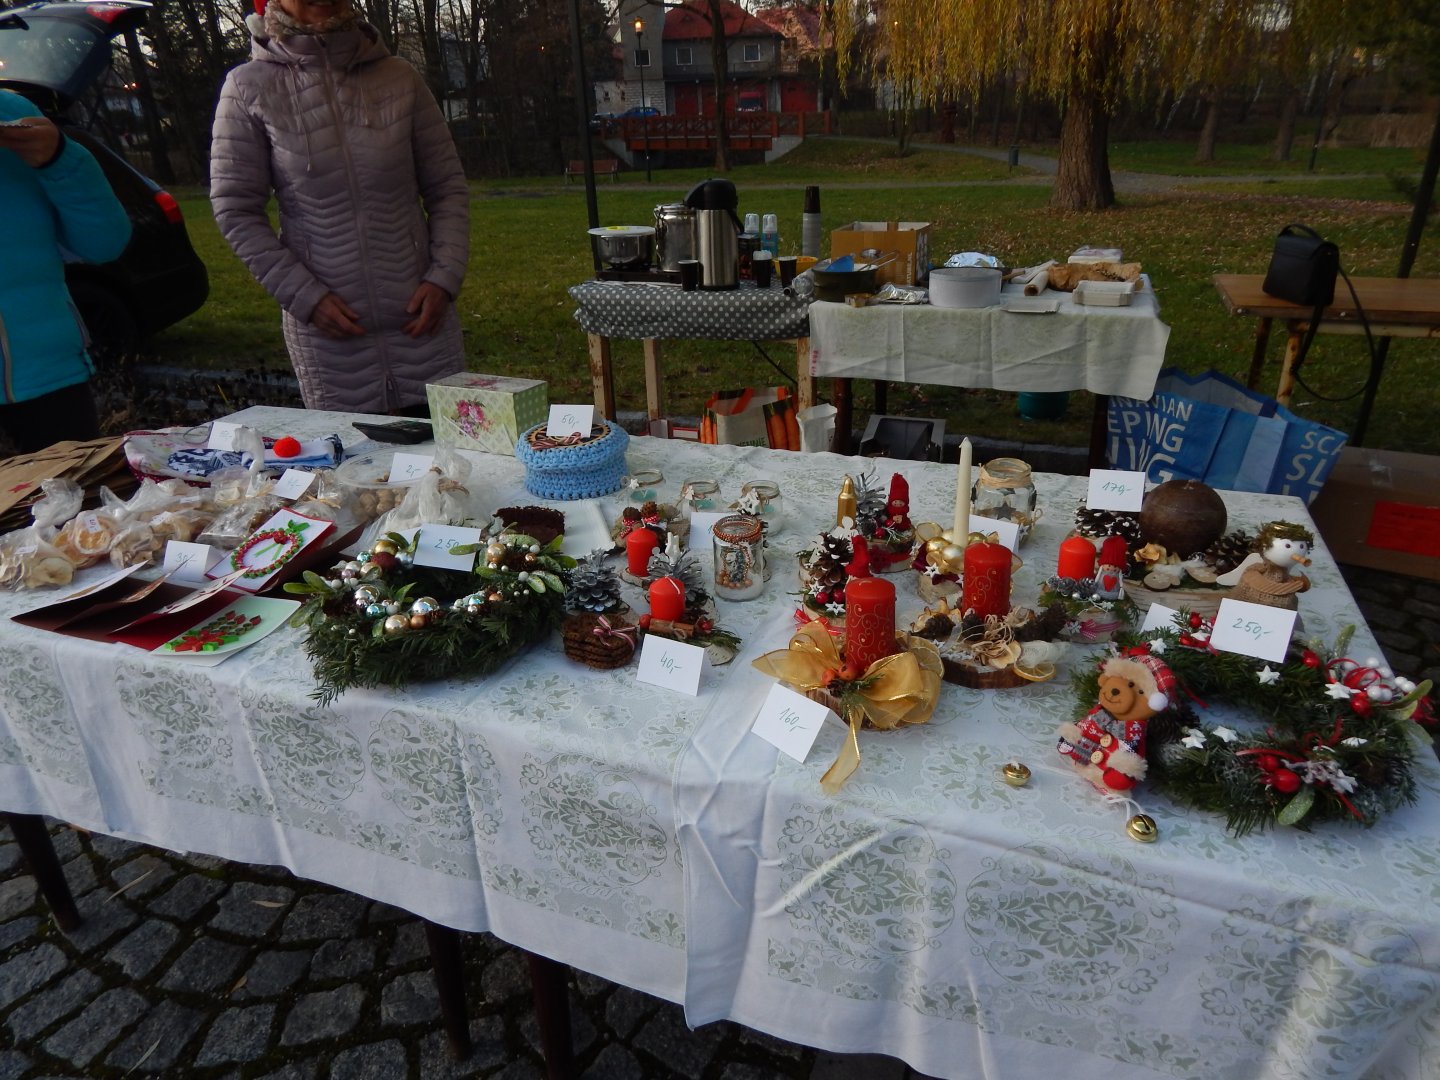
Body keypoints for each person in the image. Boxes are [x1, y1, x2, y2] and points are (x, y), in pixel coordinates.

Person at [210, 0, 471, 416]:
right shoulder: (247, 87)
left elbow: (447, 188)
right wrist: (305, 297)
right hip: (331, 340)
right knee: (354, 458)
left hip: (424, 324)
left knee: (450, 454)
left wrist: (444, 278)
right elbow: (235, 210)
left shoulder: (399, 77)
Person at [0, 90, 132, 454]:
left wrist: (60, 158)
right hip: (48, 376)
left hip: (49, 379)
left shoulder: (13, 112)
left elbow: (105, 244)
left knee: (75, 491)